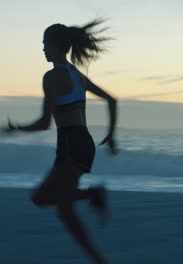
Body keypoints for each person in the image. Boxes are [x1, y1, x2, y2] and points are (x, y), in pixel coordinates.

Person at [3, 18, 117, 264]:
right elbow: (112, 100)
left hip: (71, 144)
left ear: (56, 46)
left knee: (50, 203)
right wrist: (110, 136)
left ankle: (93, 201)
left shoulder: (52, 76)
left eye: (45, 44)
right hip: (82, 143)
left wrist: (15, 129)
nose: (43, 49)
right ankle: (98, 250)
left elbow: (45, 123)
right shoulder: (77, 75)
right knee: (54, 205)